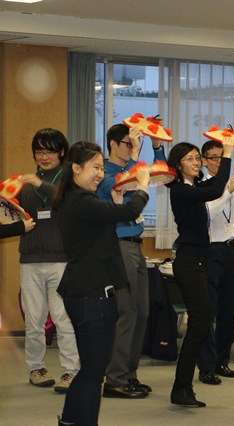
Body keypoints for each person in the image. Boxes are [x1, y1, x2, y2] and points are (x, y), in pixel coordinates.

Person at [53, 141, 149, 426]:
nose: (99, 173)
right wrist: (142, 186)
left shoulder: (76, 200)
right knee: (94, 372)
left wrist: (117, 200)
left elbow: (106, 225)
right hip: (91, 294)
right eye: (95, 167)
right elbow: (129, 214)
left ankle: (70, 420)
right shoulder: (82, 201)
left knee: (90, 370)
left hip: (84, 291)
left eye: (101, 168)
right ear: (75, 168)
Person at [96, 124, 166, 399]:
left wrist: (155, 147)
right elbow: (134, 179)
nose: (131, 147)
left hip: (135, 245)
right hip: (118, 244)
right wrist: (138, 157)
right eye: (127, 143)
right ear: (113, 144)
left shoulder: (130, 168)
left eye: (133, 144)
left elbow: (159, 174)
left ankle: (129, 374)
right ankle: (114, 379)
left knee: (143, 312)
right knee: (126, 312)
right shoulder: (104, 172)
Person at [166, 140, 233, 407]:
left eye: (198, 158)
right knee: (200, 323)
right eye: (191, 159)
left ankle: (182, 387)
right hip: (188, 261)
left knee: (201, 323)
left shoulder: (193, 186)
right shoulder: (180, 190)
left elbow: (215, 185)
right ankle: (181, 387)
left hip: (199, 261)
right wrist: (227, 155)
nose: (197, 163)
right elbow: (217, 188)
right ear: (178, 165)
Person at [15, 129, 79, 393]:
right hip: (29, 259)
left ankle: (71, 370)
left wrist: (38, 183)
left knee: (64, 319)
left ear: (61, 152)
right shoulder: (24, 183)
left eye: (49, 151)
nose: (43, 156)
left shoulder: (68, 179)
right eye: (38, 151)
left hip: (61, 261)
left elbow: (64, 200)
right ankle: (35, 368)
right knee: (34, 320)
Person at [196, 139, 234, 385]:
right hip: (211, 249)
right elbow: (207, 214)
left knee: (229, 309)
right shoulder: (201, 185)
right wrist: (227, 190)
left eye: (222, 157)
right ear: (204, 161)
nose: (218, 162)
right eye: (213, 158)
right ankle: (206, 366)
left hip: (232, 250)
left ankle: (222, 361)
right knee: (208, 310)